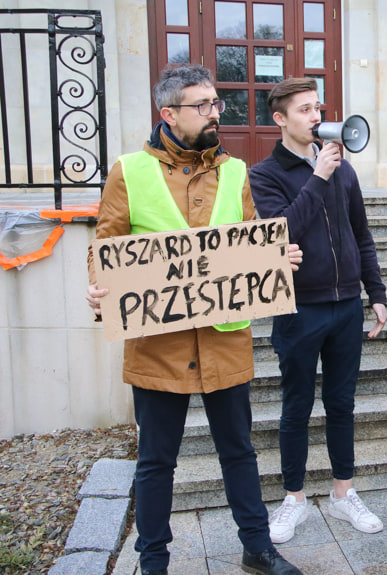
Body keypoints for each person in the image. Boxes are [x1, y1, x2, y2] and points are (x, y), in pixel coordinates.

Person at [85, 64, 303, 575]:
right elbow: (106, 245)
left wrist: (275, 260)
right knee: (156, 461)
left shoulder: (235, 171)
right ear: (168, 114)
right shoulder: (128, 171)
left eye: (216, 104)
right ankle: (153, 560)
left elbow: (248, 236)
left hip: (225, 340)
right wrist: (99, 285)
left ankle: (258, 548)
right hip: (157, 343)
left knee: (240, 452)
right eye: (202, 106)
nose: (214, 114)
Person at [248, 78, 387, 543]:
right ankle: (294, 499)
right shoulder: (264, 175)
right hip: (297, 308)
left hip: (346, 305)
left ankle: (343, 494)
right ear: (281, 119)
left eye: (317, 108)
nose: (315, 117)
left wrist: (378, 294)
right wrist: (318, 177)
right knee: (296, 404)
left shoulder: (343, 170)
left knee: (342, 403)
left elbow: (362, 236)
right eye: (305, 110)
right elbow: (280, 234)